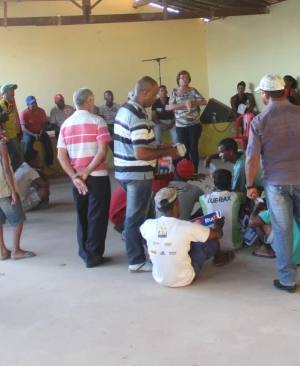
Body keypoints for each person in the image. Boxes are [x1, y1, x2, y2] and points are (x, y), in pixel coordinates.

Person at [246, 73, 300, 293]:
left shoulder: (259, 120)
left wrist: (250, 186)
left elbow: (252, 157)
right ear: (284, 91)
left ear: (264, 94)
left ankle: (288, 280)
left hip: (276, 184)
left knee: (283, 232)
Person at [114, 76, 180, 273]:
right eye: (153, 94)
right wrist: (167, 152)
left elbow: (140, 145)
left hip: (125, 172)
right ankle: (135, 260)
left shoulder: (125, 110)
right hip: (137, 174)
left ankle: (149, 251)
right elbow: (141, 153)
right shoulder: (137, 116)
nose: (155, 98)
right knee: (135, 218)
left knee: (144, 215)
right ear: (144, 92)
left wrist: (160, 146)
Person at [57, 88, 112, 268]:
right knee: (97, 216)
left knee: (82, 216)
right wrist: (87, 171)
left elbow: (61, 156)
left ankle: (84, 253)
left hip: (77, 181)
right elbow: (102, 151)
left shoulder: (65, 125)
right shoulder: (98, 121)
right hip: (97, 177)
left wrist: (75, 177)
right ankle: (94, 255)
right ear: (89, 101)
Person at [140, 187, 234, 287]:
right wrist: (218, 224)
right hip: (185, 278)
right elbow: (218, 235)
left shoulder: (147, 225)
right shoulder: (186, 227)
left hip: (159, 278)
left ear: (159, 208)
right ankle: (219, 258)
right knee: (211, 240)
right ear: (176, 204)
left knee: (180, 240)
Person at [0, 118, 35, 261]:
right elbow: (6, 170)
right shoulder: (1, 147)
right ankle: (16, 250)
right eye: (0, 129)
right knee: (17, 219)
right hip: (4, 188)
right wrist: (13, 191)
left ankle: (2, 250)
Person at [249, 194, 300, 261]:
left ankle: (267, 251)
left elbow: (252, 222)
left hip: (293, 256)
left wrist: (257, 206)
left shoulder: (281, 204)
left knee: (261, 221)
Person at [168, 70, 207, 170]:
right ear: (178, 79)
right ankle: (186, 170)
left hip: (194, 124)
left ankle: (194, 170)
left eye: (186, 77)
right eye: (182, 77)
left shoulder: (193, 90)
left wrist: (192, 103)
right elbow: (171, 107)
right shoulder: (175, 92)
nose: (185, 79)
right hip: (181, 125)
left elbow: (204, 101)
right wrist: (184, 104)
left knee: (193, 147)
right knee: (184, 149)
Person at [199, 169, 246, 251]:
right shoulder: (237, 196)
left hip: (211, 246)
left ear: (214, 183)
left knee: (207, 213)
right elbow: (244, 199)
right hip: (235, 245)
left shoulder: (203, 198)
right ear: (230, 183)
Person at [20, 96, 53, 168]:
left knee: (48, 142)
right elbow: (24, 128)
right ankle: (27, 164)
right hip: (29, 133)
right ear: (27, 105)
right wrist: (34, 135)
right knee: (28, 143)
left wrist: (40, 133)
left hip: (40, 131)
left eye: (35, 102)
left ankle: (49, 163)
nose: (35, 104)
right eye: (32, 103)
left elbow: (44, 125)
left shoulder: (41, 111)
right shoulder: (24, 113)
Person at [0, 83, 22, 170]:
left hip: (14, 133)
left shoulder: (10, 103)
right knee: (17, 157)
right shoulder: (2, 104)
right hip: (8, 135)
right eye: (10, 90)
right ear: (5, 92)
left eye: (13, 90)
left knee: (17, 156)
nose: (13, 92)